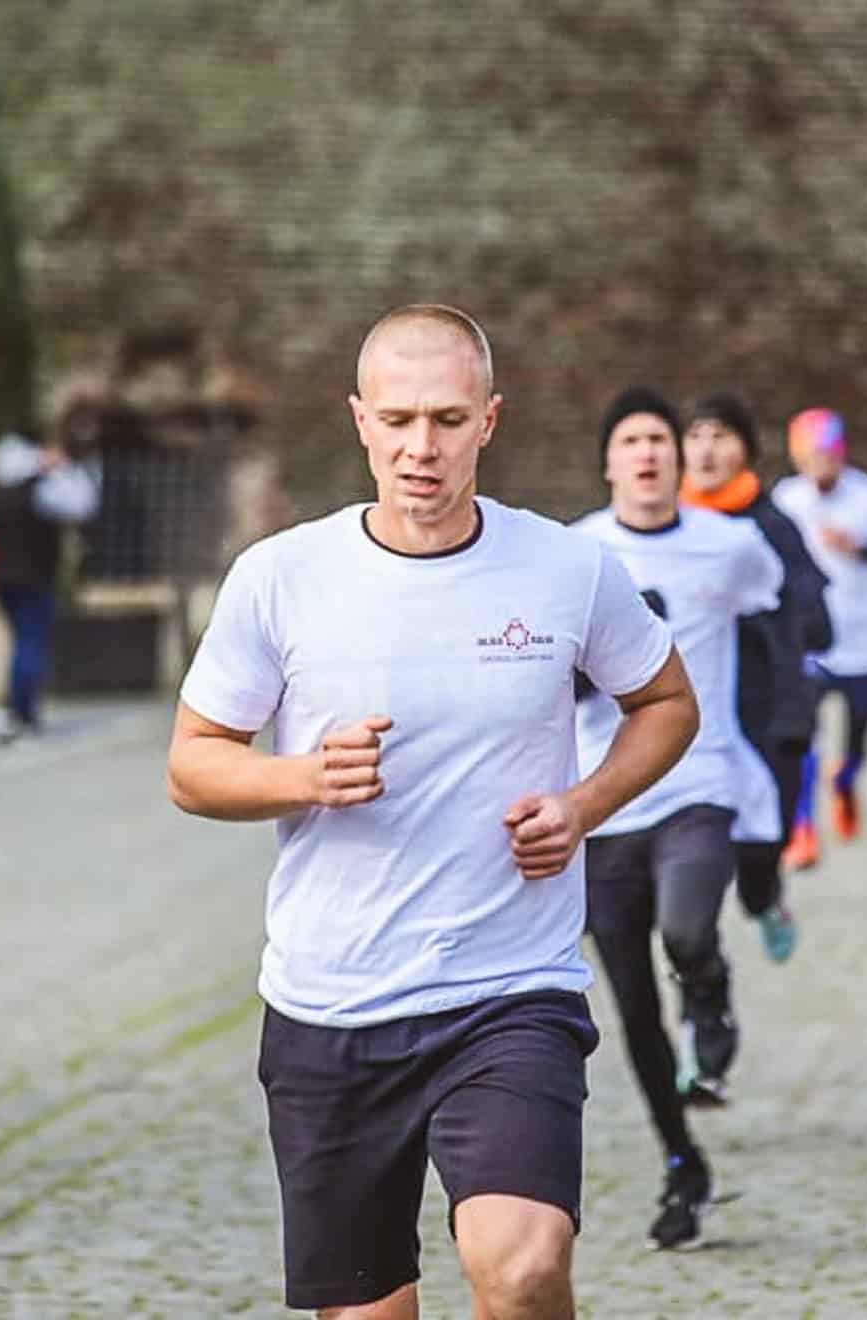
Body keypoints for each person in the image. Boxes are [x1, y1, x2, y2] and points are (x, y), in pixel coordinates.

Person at [166, 306, 699, 1319]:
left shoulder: (565, 570)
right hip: (333, 1005)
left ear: (489, 421)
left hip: (508, 994)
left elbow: (666, 704)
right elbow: (192, 765)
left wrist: (584, 805)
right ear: (359, 420)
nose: (423, 447)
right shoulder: (281, 578)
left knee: (525, 1265)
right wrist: (304, 777)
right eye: (400, 418)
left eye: (449, 419)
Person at [575, 386, 783, 1243]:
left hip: (698, 780)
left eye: (659, 438)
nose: (649, 453)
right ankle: (678, 1162)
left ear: (676, 458)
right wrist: (618, 660)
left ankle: (713, 995)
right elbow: (547, 678)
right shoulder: (575, 555)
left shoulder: (731, 546)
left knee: (688, 928)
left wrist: (782, 740)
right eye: (631, 440)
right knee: (632, 1011)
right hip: (600, 798)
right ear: (610, 462)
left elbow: (781, 616)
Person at [680, 392, 833, 969]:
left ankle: (767, 899)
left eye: (720, 435)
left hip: (768, 714)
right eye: (695, 435)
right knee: (695, 864)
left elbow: (818, 624)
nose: (706, 449)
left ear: (746, 448)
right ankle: (699, 974)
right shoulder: (657, 525)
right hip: (693, 721)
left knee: (754, 866)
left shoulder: (771, 528)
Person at [770, 408, 867, 869]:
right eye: (813, 456)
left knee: (857, 737)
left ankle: (847, 778)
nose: (822, 465)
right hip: (811, 644)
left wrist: (862, 548)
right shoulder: (786, 500)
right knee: (802, 739)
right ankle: (803, 827)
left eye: (829, 455)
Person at [0, 425, 102, 735]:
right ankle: (20, 709)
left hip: (2, 576)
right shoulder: (43, 489)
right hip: (33, 577)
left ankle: (17, 706)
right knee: (30, 642)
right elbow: (84, 505)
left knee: (23, 641)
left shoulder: (2, 486)